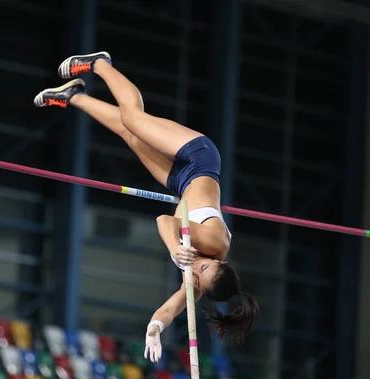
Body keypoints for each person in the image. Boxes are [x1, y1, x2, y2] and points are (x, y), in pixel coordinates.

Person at [34, 51, 258, 361]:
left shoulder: (195, 277)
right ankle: (100, 63)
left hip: (180, 182)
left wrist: (155, 327)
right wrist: (174, 250)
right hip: (199, 159)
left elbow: (171, 308)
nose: (194, 272)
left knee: (130, 135)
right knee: (133, 119)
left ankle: (74, 97)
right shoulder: (215, 242)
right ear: (221, 262)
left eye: (196, 280)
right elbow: (165, 222)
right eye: (202, 269)